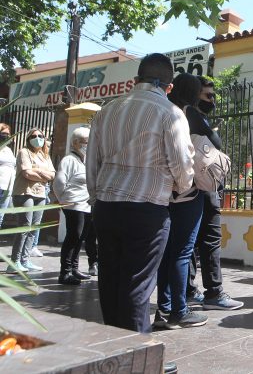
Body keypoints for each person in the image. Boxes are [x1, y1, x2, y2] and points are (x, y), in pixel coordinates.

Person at [86, 53, 194, 337]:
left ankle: (113, 351)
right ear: (169, 87)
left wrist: (96, 198)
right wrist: (181, 187)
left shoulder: (106, 110)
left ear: (135, 80)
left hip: (107, 206)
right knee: (137, 287)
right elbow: (181, 164)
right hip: (147, 209)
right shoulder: (170, 112)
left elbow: (92, 162)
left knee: (110, 283)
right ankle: (137, 359)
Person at [154, 73, 210, 330]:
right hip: (187, 192)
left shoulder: (163, 109)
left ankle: (163, 309)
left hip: (162, 192)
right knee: (182, 252)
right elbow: (215, 143)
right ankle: (179, 309)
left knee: (166, 252)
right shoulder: (189, 113)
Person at [186, 76, 244, 311]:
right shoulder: (192, 115)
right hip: (201, 185)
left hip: (192, 185)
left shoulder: (185, 115)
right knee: (209, 238)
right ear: (195, 95)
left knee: (190, 241)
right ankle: (214, 292)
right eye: (208, 95)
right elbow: (217, 142)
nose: (213, 100)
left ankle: (189, 290)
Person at [8, 128, 55, 273]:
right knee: (24, 227)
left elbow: (52, 174)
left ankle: (25, 260)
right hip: (24, 193)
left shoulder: (44, 155)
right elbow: (27, 173)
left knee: (34, 228)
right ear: (28, 139)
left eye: (40, 136)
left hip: (40, 194)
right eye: (33, 136)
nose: (37, 138)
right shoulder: (24, 152)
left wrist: (37, 170)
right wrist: (43, 174)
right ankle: (14, 262)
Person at [53, 126, 93, 285]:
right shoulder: (69, 160)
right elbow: (59, 183)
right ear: (76, 143)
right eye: (86, 142)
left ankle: (74, 269)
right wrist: (63, 200)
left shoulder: (83, 161)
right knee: (73, 237)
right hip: (74, 205)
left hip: (85, 205)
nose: (88, 145)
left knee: (80, 238)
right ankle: (65, 272)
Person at [0, 123, 16, 228]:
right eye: (4, 133)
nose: (7, 136)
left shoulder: (8, 150)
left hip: (7, 188)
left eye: (8, 134)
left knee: (0, 216)